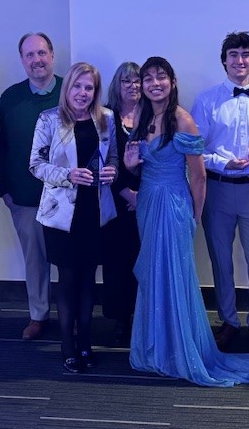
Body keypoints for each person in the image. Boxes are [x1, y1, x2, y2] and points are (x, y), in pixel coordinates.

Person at [125, 56, 249, 387]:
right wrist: (129, 166)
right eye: (148, 78)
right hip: (149, 203)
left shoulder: (182, 120)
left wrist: (194, 216)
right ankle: (159, 345)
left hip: (173, 205)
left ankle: (182, 347)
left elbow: (198, 178)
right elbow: (139, 166)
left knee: (175, 275)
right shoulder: (142, 116)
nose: (155, 83)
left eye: (161, 77)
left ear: (172, 82)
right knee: (154, 273)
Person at [190, 32, 249, 352]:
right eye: (233, 55)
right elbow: (196, 149)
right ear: (224, 60)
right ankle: (228, 320)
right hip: (218, 189)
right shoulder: (206, 100)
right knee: (221, 260)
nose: (239, 61)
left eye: (245, 54)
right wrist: (224, 163)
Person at [29, 62, 118, 373]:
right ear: (67, 88)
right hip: (61, 214)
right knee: (67, 280)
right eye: (77, 86)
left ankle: (85, 342)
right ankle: (67, 345)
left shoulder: (106, 118)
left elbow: (115, 157)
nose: (83, 93)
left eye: (89, 87)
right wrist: (67, 175)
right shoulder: (49, 119)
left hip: (95, 211)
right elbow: (36, 165)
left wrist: (113, 171)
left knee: (89, 280)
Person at [0, 33, 62, 340]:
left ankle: (72, 314)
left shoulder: (69, 91)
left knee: (70, 260)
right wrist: (4, 190)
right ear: (22, 60)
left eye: (42, 53)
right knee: (35, 260)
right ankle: (39, 315)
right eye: (30, 55)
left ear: (52, 55)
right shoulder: (10, 98)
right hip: (25, 198)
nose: (37, 60)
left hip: (66, 198)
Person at [102, 62, 141, 345]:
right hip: (115, 202)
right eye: (126, 81)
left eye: (138, 81)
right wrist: (127, 193)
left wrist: (142, 196)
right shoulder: (105, 117)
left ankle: (144, 317)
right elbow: (101, 160)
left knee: (144, 261)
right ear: (117, 85)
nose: (133, 86)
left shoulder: (155, 115)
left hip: (148, 201)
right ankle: (120, 319)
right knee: (117, 263)